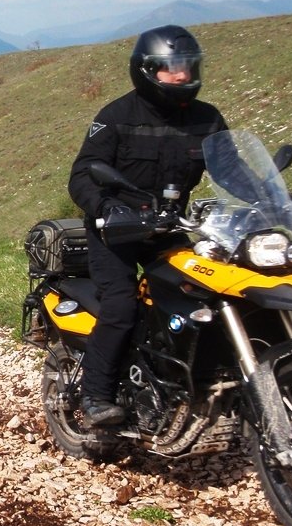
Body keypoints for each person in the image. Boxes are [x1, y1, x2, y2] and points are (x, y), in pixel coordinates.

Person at [67, 25, 228, 427]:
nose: (181, 76)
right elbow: (83, 175)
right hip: (116, 231)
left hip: (169, 229)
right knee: (121, 306)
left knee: (204, 297)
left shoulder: (206, 119)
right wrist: (105, 208)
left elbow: (233, 170)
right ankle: (96, 395)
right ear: (147, 70)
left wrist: (267, 198)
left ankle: (186, 379)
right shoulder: (116, 117)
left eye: (188, 67)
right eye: (172, 68)